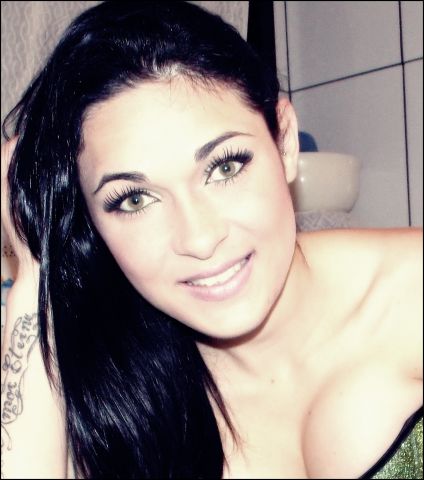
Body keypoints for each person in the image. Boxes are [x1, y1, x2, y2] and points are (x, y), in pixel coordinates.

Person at [1, 1, 422, 478]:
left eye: (224, 167)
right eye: (135, 200)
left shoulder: (411, 295)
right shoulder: (123, 390)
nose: (200, 239)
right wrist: (33, 269)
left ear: (284, 141)